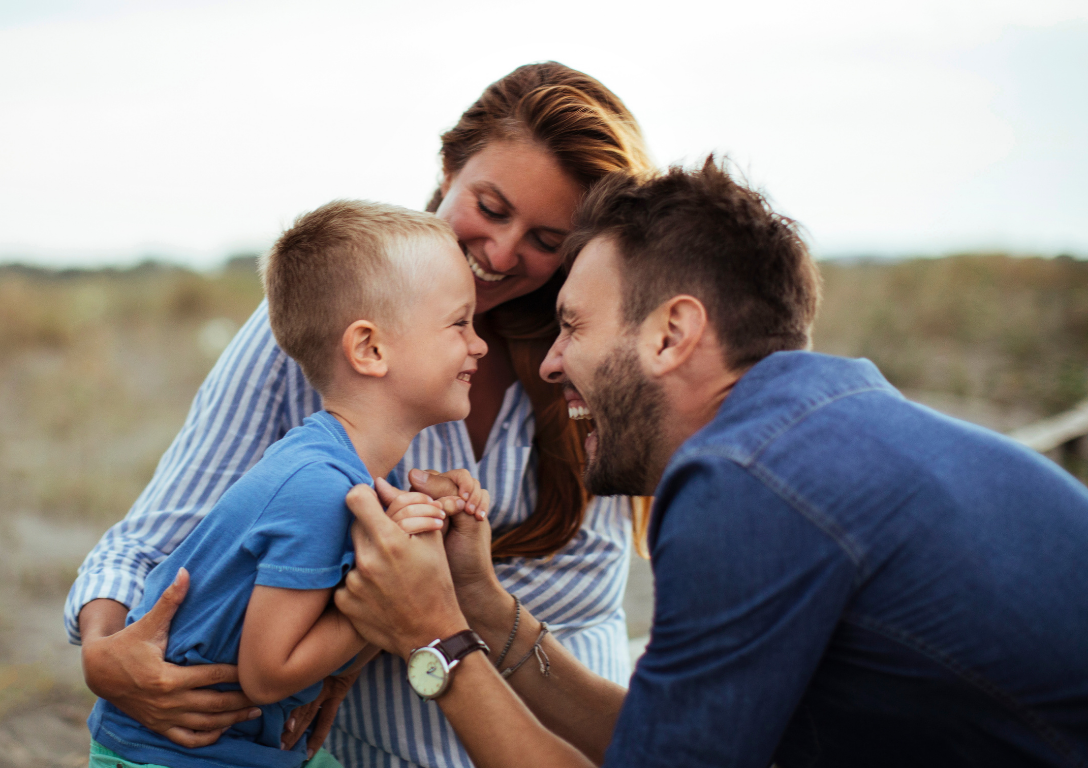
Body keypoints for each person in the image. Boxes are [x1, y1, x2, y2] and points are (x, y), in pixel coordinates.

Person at [335, 159, 1088, 768]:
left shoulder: (747, 483)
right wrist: (485, 610)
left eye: (573, 325)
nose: (555, 363)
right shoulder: (822, 436)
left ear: (672, 334)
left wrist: (432, 636)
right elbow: (657, 742)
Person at [66, 62, 657, 767]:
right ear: (447, 170)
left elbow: (561, 597)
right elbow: (166, 531)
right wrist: (106, 654)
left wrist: (413, 602)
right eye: (492, 209)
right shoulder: (333, 322)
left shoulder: (591, 359)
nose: (501, 253)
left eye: (546, 240)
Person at [87, 201, 491, 768]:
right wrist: (385, 600)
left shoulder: (362, 470)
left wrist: (432, 530)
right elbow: (268, 672)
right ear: (370, 349)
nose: (480, 344)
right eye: (459, 322)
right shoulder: (316, 489)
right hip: (173, 755)